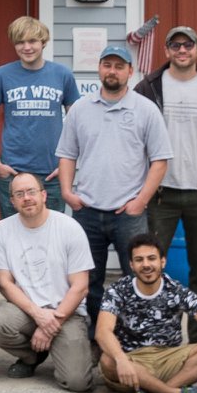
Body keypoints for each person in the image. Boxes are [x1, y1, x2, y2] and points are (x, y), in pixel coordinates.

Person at [57, 40, 171, 329]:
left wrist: (141, 201)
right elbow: (67, 154)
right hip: (87, 210)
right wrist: (68, 192)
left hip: (128, 213)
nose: (112, 71)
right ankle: (97, 338)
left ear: (130, 72)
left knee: (137, 278)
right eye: (107, 65)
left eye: (119, 66)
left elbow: (160, 161)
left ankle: (134, 336)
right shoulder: (80, 109)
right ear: (99, 69)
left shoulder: (146, 110)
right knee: (88, 280)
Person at [134, 25, 197, 310]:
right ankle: (154, 332)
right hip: (159, 194)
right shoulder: (147, 89)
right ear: (166, 51)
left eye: (187, 45)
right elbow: (134, 138)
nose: (182, 50)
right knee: (149, 268)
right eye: (175, 46)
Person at [0, 171, 97, 390]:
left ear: (44, 195)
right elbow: (5, 284)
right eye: (19, 194)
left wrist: (50, 325)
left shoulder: (69, 228)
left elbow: (80, 286)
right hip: (27, 310)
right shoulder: (0, 231)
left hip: (67, 313)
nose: (26, 198)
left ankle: (63, 347)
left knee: (78, 382)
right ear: (12, 201)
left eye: (31, 191)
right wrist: (38, 315)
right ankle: (32, 357)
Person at [96, 232, 197, 393]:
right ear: (131, 265)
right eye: (139, 260)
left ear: (163, 261)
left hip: (169, 358)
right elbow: (103, 331)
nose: (146, 265)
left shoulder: (176, 290)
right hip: (133, 363)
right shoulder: (117, 290)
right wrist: (121, 360)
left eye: (151, 258)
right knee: (108, 360)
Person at [0, 15, 80, 215]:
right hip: (14, 173)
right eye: (20, 42)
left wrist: (68, 164)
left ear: (43, 42)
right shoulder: (1, 75)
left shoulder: (62, 74)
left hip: (52, 174)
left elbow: (77, 123)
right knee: (13, 235)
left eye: (32, 41)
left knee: (51, 236)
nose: (27, 47)